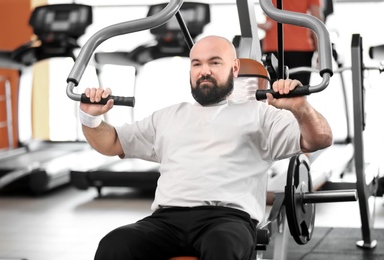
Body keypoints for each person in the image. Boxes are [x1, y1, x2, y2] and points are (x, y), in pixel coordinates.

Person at [78, 35, 332, 260]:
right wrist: (90, 118)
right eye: (196, 64)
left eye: (214, 62)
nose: (204, 70)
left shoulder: (261, 115)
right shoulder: (168, 116)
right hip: (166, 220)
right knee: (114, 244)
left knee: (221, 246)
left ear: (234, 68)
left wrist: (301, 107)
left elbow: (319, 139)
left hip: (226, 220)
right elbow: (111, 142)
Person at [258, 0, 324, 85]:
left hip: (275, 46)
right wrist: (321, 52)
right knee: (298, 92)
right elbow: (316, 20)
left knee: (277, 92)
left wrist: (256, 24)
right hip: (300, 47)